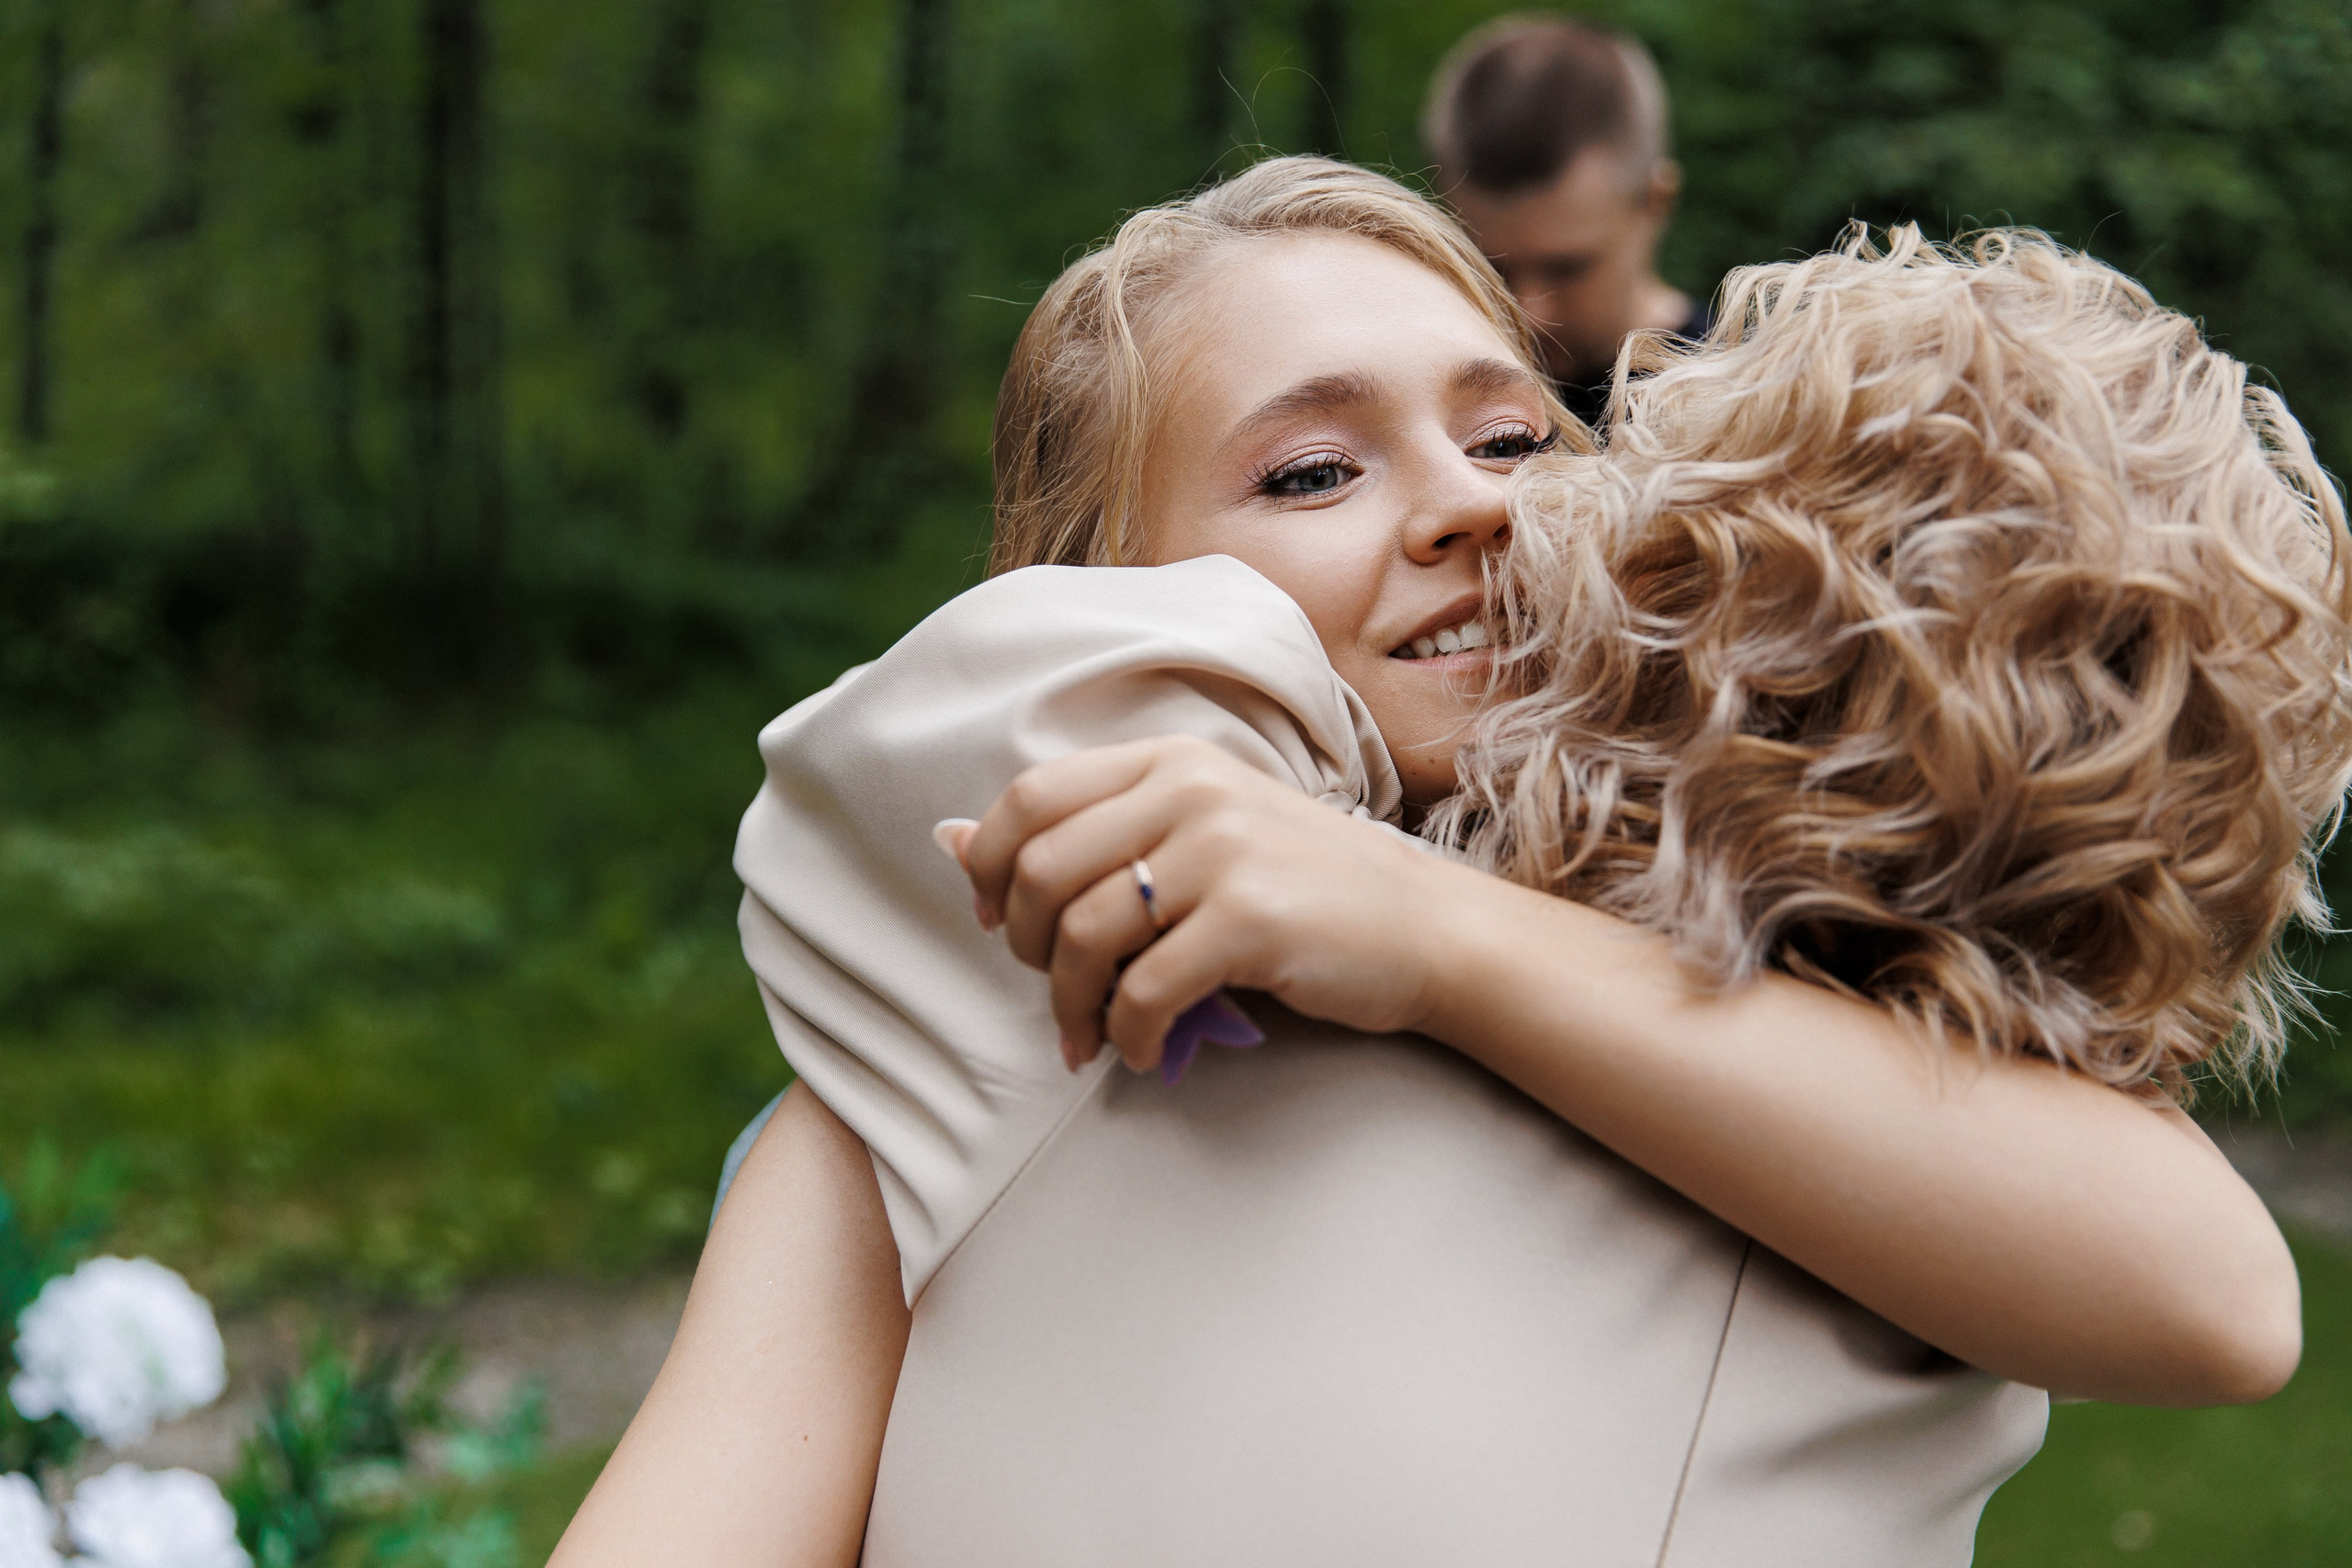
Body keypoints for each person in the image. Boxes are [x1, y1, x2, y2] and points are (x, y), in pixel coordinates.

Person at [550, 161, 2321, 1567]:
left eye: (1512, 437)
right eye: (1312, 470)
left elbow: (2214, 1299)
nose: (1474, 504)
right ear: (1105, 583)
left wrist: (1433, 934)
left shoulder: (1791, 980)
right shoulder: (929, 1085)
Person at [1422, 14, 1703, 428]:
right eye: (1491, 268)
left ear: (1654, 204)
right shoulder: (1432, 412)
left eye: (1567, 268)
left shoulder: (1743, 403)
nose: (1530, 312)